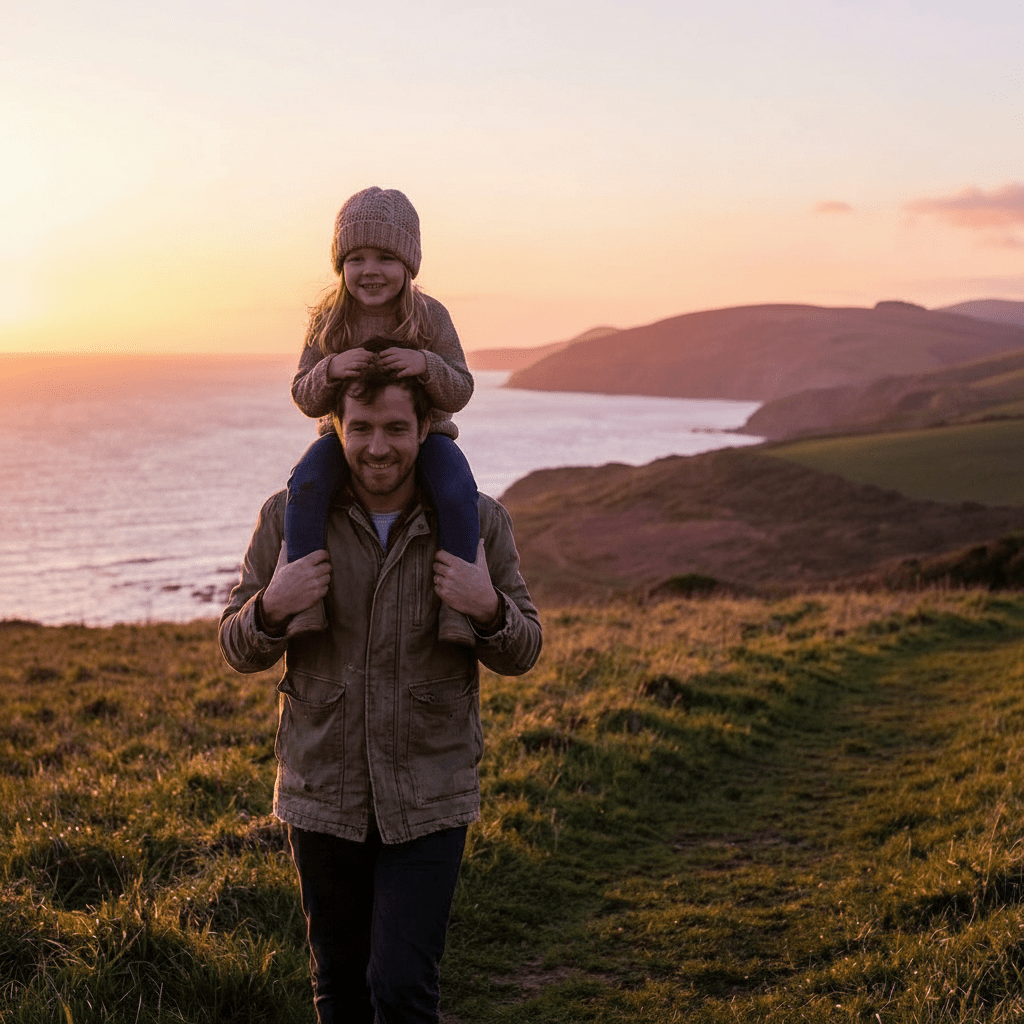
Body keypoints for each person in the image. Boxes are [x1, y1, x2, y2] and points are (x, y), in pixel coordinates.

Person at [219, 357, 542, 1024]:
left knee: (400, 987)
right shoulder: (288, 519)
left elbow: (523, 651)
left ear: (427, 427)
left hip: (429, 793)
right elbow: (237, 647)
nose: (376, 448)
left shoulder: (478, 523)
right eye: (359, 428)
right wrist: (273, 607)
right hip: (320, 792)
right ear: (334, 427)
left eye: (396, 428)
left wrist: (487, 608)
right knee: (338, 987)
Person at [286, 185, 479, 646]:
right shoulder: (328, 321)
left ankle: (458, 610)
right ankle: (304, 603)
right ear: (340, 266)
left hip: (426, 436)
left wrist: (426, 366)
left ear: (408, 265)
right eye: (356, 259)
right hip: (344, 439)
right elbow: (304, 395)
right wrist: (331, 369)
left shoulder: (430, 317)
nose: (370, 271)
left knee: (457, 489)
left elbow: (462, 388)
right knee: (305, 484)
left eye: (385, 258)